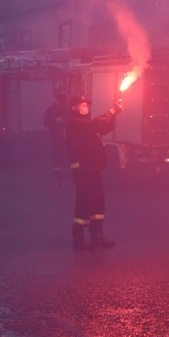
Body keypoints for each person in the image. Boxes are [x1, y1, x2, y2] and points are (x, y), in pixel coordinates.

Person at [67, 93, 121, 250]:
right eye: (82, 105)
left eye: (86, 105)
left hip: (94, 167)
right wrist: (112, 111)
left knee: (98, 200)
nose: (85, 108)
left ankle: (97, 236)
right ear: (74, 108)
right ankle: (78, 239)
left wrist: (115, 114)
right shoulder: (74, 123)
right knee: (84, 202)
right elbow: (94, 124)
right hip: (83, 169)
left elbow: (105, 126)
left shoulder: (86, 123)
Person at [44, 86, 70, 187]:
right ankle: (57, 180)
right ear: (57, 100)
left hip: (67, 139)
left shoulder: (67, 109)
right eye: (61, 101)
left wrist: (66, 120)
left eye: (64, 101)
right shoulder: (50, 110)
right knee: (57, 160)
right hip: (56, 139)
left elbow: (72, 120)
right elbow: (46, 122)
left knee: (71, 160)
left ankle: (72, 178)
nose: (63, 103)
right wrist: (55, 121)